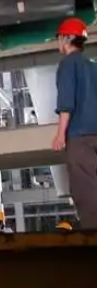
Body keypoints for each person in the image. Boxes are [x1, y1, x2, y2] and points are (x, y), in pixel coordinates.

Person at [52, 17, 97, 230]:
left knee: (85, 189)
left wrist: (61, 134)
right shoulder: (92, 66)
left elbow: (66, 102)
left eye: (60, 38)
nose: (58, 42)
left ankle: (92, 235)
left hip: (80, 136)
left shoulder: (68, 64)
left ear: (67, 38)